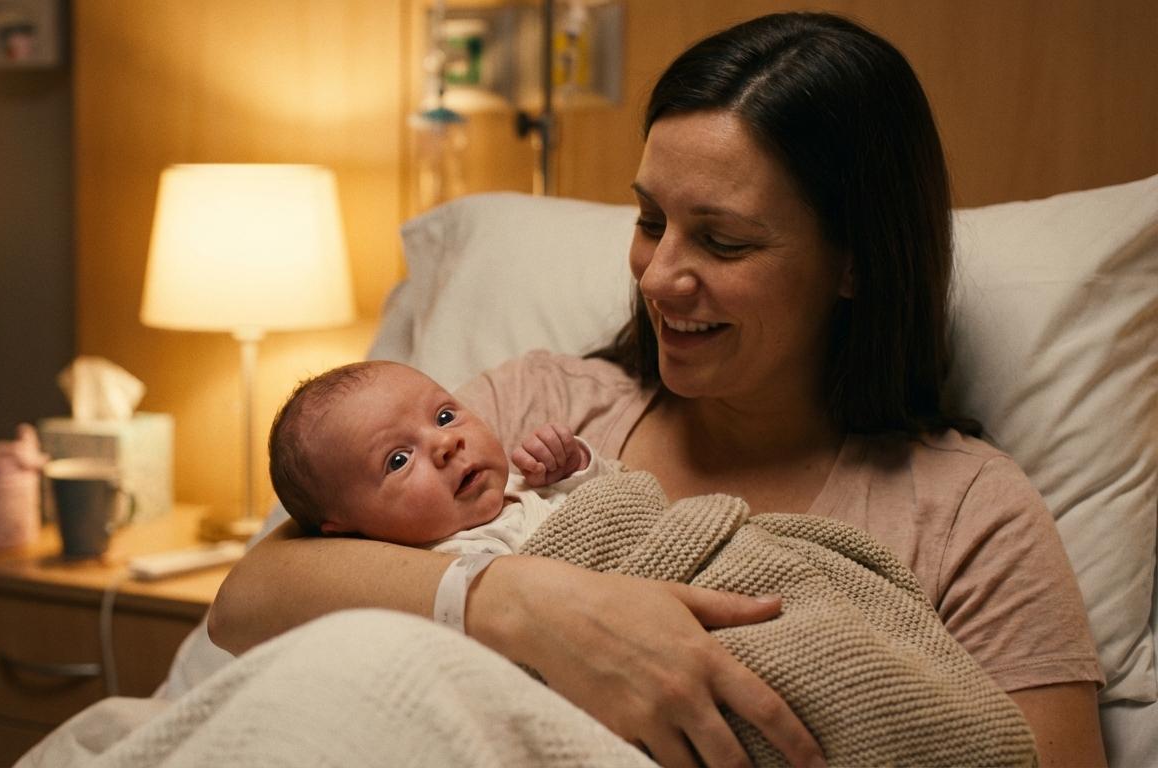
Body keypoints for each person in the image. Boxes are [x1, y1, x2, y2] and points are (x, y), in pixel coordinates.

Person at [210, 12, 1105, 767]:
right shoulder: (524, 415)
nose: (658, 275)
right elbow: (248, 601)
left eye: (722, 241)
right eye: (649, 221)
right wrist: (528, 605)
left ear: (854, 265)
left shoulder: (963, 509)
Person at [267, 359, 617, 555]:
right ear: (346, 531)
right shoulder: (445, 563)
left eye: (445, 417)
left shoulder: (525, 482)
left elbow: (613, 494)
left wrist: (574, 467)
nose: (445, 443)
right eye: (398, 460)